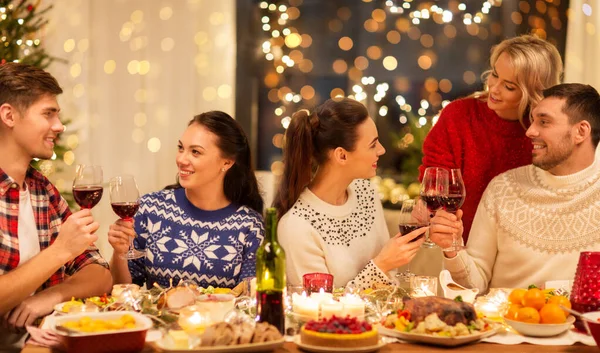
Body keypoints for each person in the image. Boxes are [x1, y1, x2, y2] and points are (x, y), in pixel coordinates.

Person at [429, 83, 600, 293]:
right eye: (533, 120)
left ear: (581, 131)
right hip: (503, 324)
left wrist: (554, 292)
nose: (530, 131)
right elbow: (475, 285)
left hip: (581, 325)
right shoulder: (503, 188)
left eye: (544, 122)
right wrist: (453, 248)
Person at [0, 63, 111, 346]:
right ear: (8, 115)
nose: (59, 126)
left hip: (42, 342)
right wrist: (60, 251)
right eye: (48, 114)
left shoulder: (42, 190)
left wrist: (48, 297)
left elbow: (99, 273)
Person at [419, 35, 563, 241]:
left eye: (509, 86)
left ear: (533, 92)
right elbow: (435, 178)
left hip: (524, 248)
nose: (494, 88)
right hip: (461, 246)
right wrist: (444, 225)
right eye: (495, 75)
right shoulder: (458, 116)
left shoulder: (545, 132)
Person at [274, 98, 427, 291]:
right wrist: (381, 265)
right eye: (373, 145)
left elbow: (389, 282)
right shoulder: (296, 227)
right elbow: (318, 309)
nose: (382, 150)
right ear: (341, 155)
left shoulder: (366, 192)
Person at [108, 111, 265, 289]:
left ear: (226, 163)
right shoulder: (150, 209)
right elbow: (121, 291)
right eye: (181, 148)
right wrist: (119, 253)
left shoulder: (249, 226)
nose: (181, 159)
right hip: (156, 318)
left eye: (195, 152)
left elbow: (248, 302)